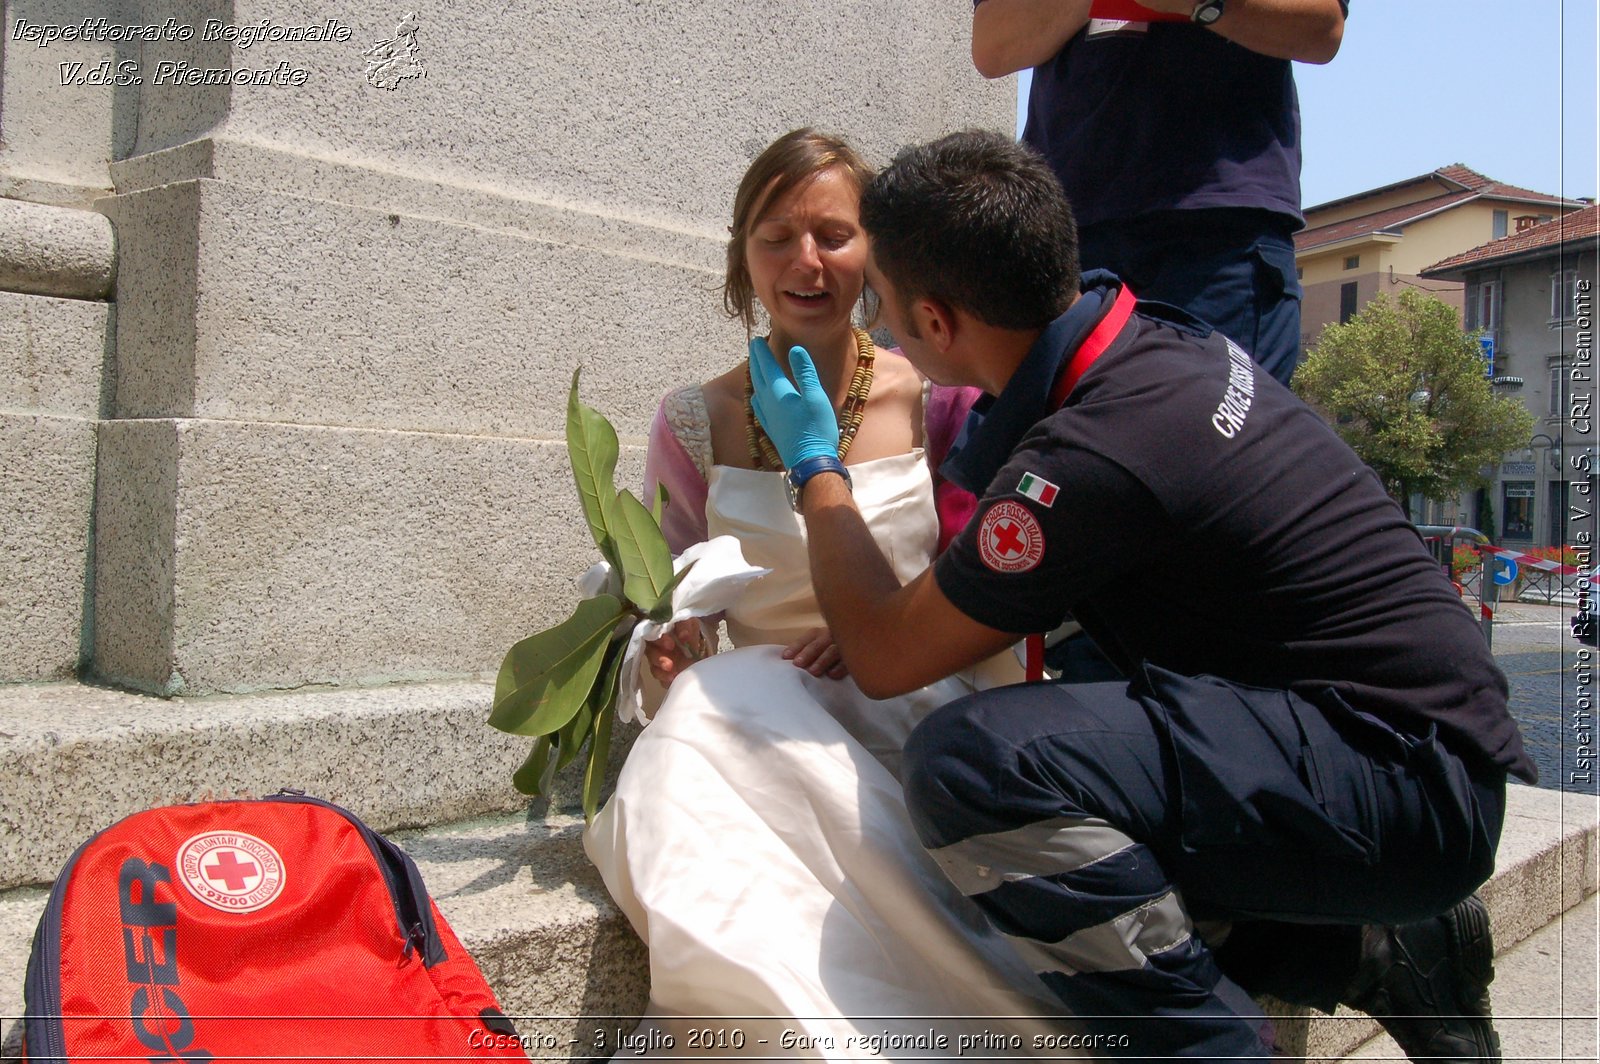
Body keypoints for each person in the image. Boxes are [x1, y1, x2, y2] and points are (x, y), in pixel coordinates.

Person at [749, 130, 1534, 1062]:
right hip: (1397, 744)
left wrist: (815, 468)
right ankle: (1370, 946)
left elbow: (884, 657)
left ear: (938, 320)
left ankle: (1219, 1048)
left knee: (979, 766)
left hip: (1403, 782)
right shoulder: (1144, 339)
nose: (868, 315)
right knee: (1080, 794)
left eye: (882, 298)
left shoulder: (1094, 451)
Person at [582, 128, 1071, 1058]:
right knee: (709, 704)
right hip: (759, 708)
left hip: (915, 697)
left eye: (834, 235)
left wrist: (891, 629)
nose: (806, 262)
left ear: (876, 254)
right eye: (776, 237)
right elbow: (677, 596)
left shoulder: (941, 398)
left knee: (726, 709)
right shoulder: (694, 419)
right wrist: (672, 646)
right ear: (742, 255)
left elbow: (992, 587)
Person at [969, 0, 1348, 386]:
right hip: (1065, 235)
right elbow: (992, 44)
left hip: (1219, 235)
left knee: (1213, 439)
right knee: (1060, 440)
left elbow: (1322, 29)